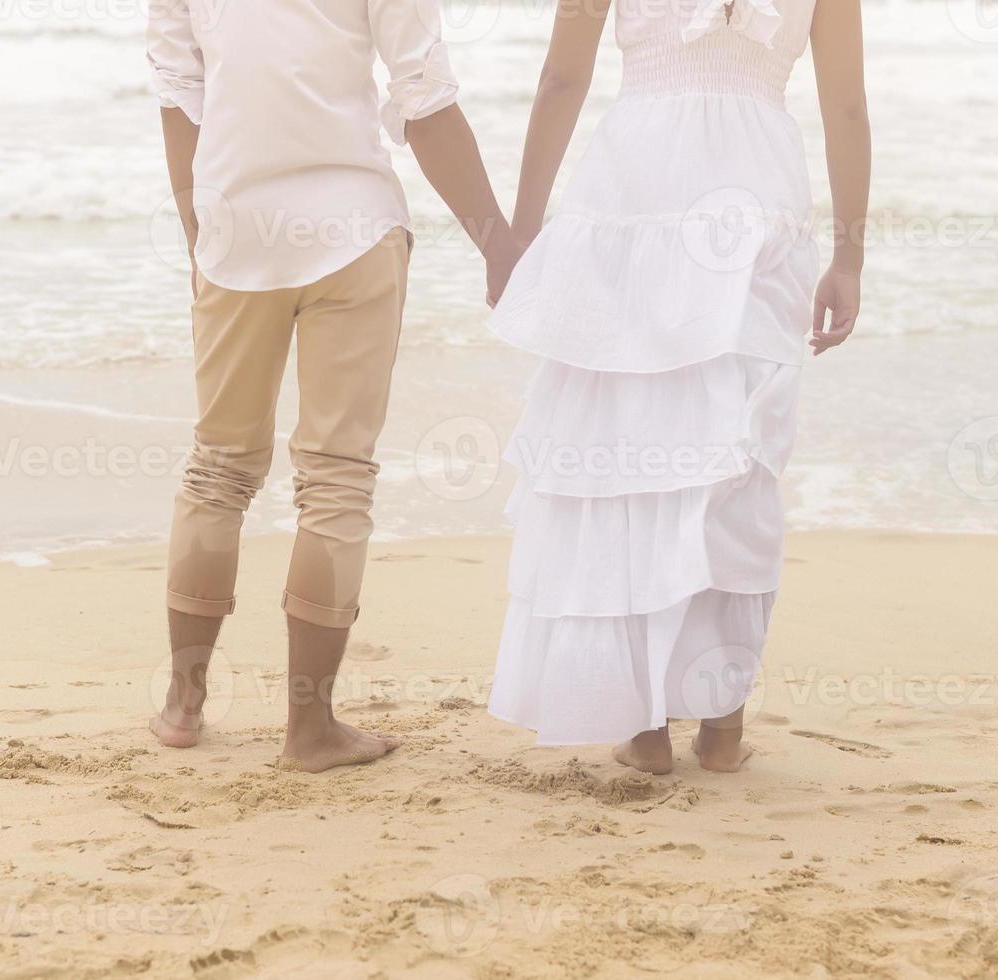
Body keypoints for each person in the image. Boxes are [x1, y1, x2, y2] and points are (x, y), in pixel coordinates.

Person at [485, 0, 870, 773]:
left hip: (638, 189)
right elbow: (848, 108)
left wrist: (519, 232)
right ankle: (721, 724)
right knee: (736, 462)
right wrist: (848, 258)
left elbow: (563, 80)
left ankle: (647, 723)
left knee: (630, 457)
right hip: (759, 202)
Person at [146, 0, 524, 772]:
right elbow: (424, 99)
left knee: (218, 466)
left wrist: (199, 235)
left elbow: (180, 92)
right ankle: (309, 730)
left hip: (235, 231)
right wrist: (496, 239)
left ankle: (183, 704)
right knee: (337, 476)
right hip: (352, 227)